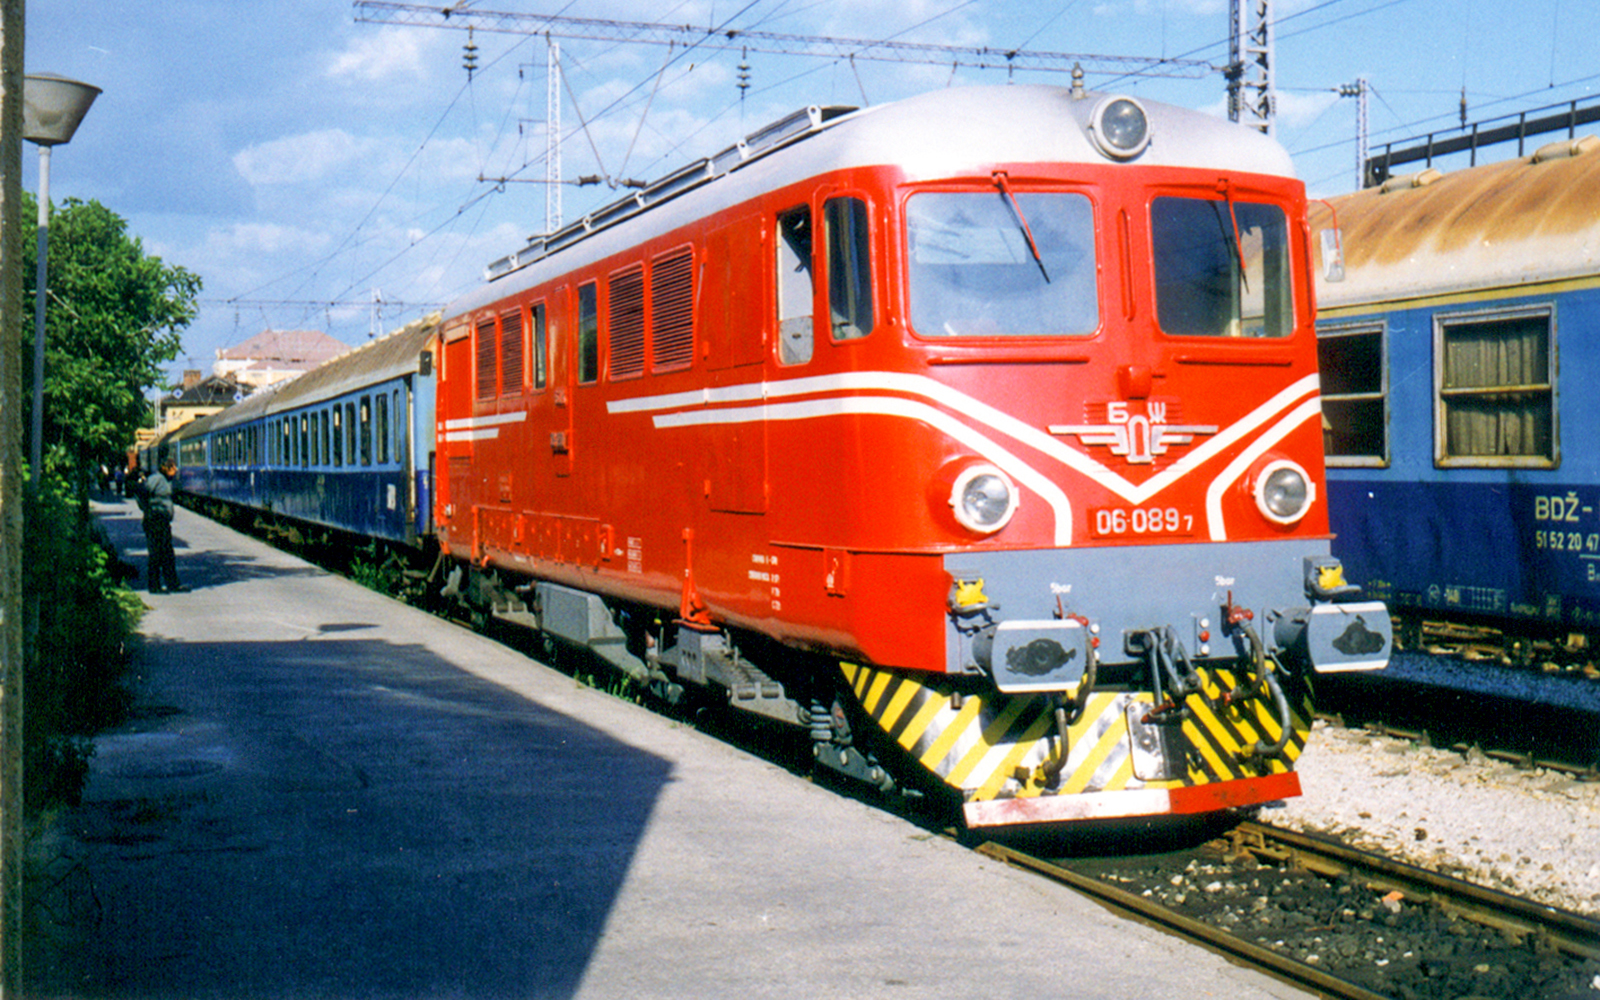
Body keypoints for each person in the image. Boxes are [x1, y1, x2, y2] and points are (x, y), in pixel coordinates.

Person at [139, 458, 187, 593]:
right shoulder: (156, 479)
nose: (176, 470)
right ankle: (154, 586)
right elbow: (142, 493)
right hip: (155, 521)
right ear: (166, 468)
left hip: (163, 521)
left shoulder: (166, 480)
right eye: (173, 467)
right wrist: (148, 509)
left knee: (167, 554)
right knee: (156, 554)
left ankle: (172, 584)